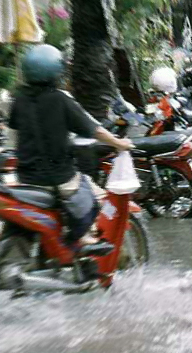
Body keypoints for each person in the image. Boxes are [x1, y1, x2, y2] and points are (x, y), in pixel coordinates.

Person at [8, 45, 134, 252]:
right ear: (56, 71)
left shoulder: (19, 99)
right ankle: (82, 237)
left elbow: (15, 129)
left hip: (26, 178)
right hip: (57, 178)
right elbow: (94, 130)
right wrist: (120, 143)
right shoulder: (60, 99)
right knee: (96, 196)